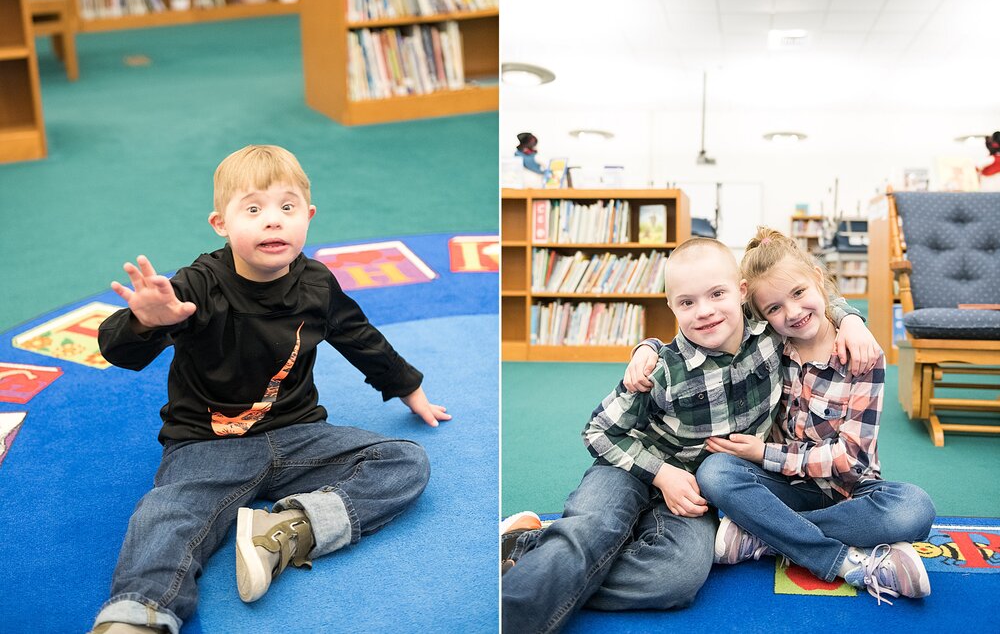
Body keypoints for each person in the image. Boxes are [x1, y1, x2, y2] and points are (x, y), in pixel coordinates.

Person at [89, 145, 449, 634]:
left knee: (406, 462)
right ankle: (140, 613)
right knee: (166, 513)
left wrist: (409, 387)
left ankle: (285, 532)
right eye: (253, 209)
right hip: (206, 445)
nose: (273, 222)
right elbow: (117, 350)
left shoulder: (318, 283)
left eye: (287, 207)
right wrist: (144, 323)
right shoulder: (197, 285)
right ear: (221, 223)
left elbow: (358, 336)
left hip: (299, 436)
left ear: (309, 216)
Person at [500, 237, 880, 633]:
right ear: (672, 307)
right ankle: (525, 600)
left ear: (742, 294)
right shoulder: (660, 368)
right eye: (687, 303)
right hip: (630, 469)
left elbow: (802, 297)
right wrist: (661, 473)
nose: (705, 312)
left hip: (694, 494)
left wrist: (851, 319)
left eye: (718, 294)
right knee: (589, 531)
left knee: (676, 578)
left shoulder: (772, 336)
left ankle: (532, 552)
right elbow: (598, 431)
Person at [695, 227, 935, 605]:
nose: (792, 312)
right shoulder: (770, 344)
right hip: (787, 488)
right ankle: (840, 556)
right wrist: (650, 348)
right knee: (715, 471)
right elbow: (709, 319)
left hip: (851, 493)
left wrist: (852, 320)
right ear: (761, 315)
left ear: (818, 280)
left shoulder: (861, 355)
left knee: (915, 508)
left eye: (799, 293)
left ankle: (763, 535)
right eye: (773, 308)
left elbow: (852, 461)